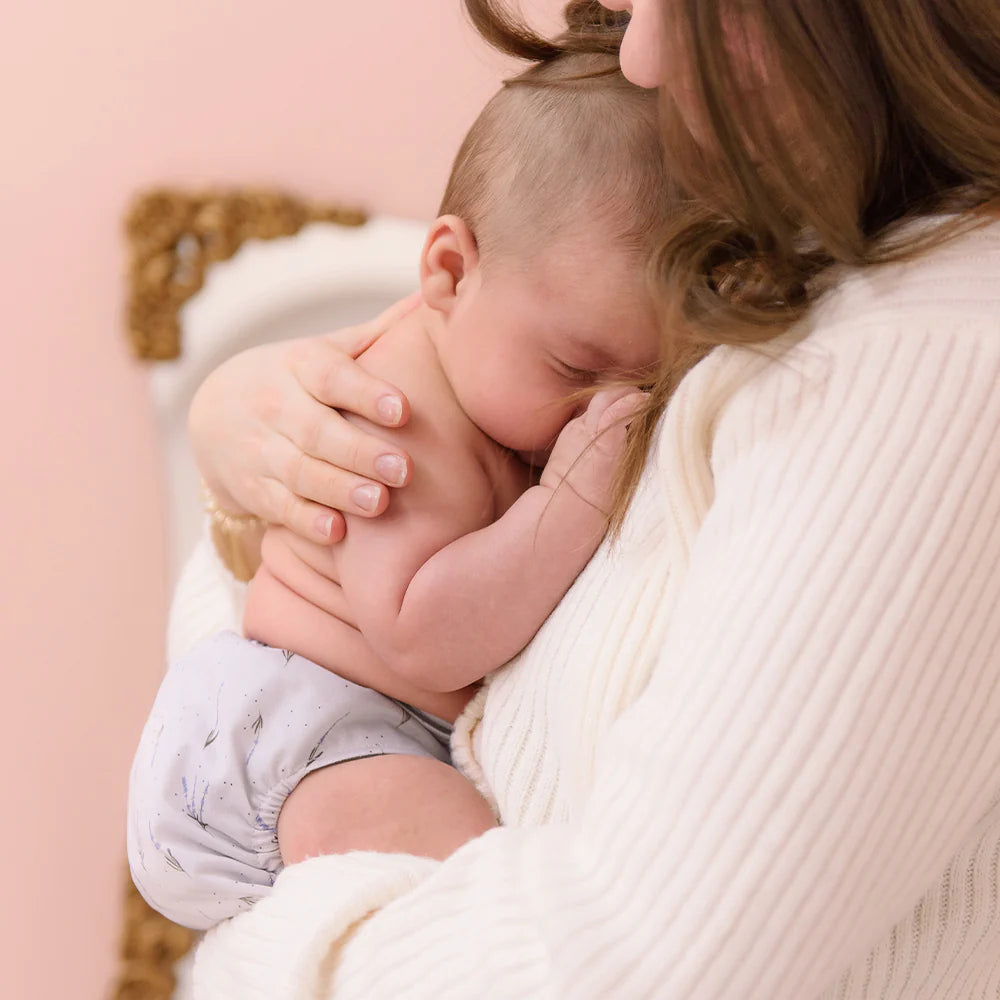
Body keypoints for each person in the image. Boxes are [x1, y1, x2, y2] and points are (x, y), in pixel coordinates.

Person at [159, 0, 1000, 996]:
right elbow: (399, 621)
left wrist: (254, 953)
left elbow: (621, 963)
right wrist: (240, 438)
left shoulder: (923, 360)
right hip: (310, 728)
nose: (637, 51)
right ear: (447, 272)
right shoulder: (796, 239)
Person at [128, 45, 666, 928]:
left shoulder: (501, 388)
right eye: (576, 366)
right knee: (479, 890)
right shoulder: (392, 416)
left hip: (348, 721)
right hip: (303, 733)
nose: (602, 414)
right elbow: (420, 634)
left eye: (642, 384)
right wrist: (565, 504)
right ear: (448, 273)